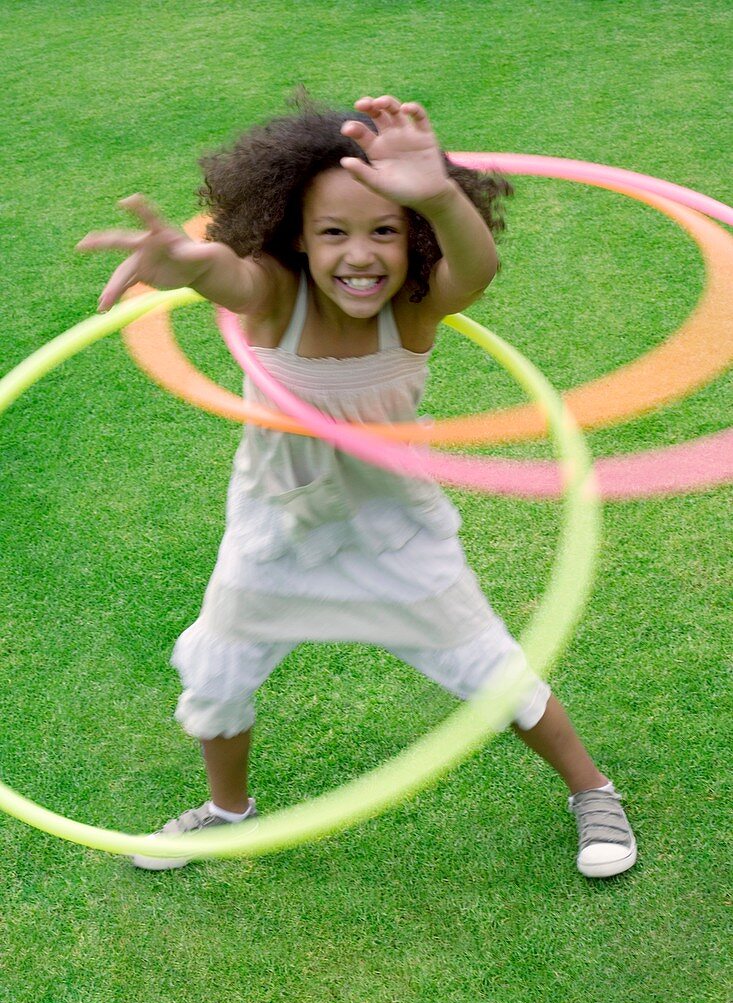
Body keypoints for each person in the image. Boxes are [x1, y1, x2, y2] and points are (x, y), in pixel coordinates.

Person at [78, 94, 637, 878]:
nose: (359, 254)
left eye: (385, 231)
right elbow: (223, 275)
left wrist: (439, 194)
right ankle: (226, 811)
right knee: (217, 671)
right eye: (332, 233)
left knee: (489, 667)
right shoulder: (274, 298)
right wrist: (187, 264)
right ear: (295, 241)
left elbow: (477, 267)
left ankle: (592, 792)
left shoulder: (412, 312)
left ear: (414, 241)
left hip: (392, 530)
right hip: (275, 530)